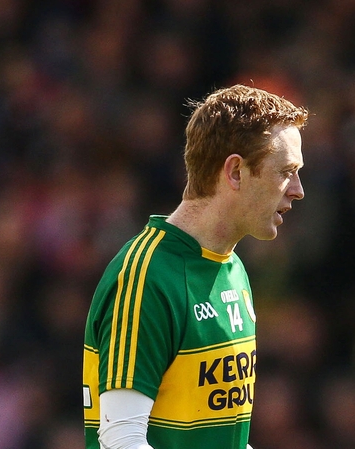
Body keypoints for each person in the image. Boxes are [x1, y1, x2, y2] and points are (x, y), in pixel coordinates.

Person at [83, 85, 308, 449]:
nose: (297, 190)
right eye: (286, 171)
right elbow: (120, 439)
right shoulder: (147, 275)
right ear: (235, 172)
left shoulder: (232, 269)